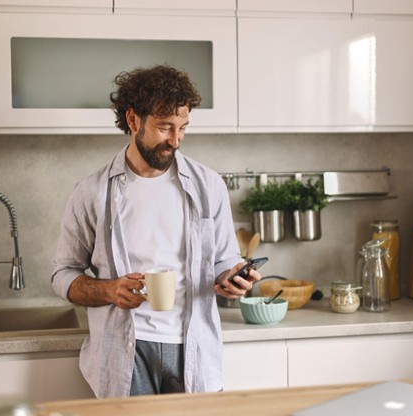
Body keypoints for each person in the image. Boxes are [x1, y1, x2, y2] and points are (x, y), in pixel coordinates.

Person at [51, 64, 260, 398]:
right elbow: (62, 275)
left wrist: (231, 277)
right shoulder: (92, 192)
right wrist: (109, 291)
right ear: (133, 120)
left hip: (193, 347)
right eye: (165, 127)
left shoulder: (209, 185)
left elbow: (223, 259)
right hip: (125, 353)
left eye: (183, 128)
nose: (175, 140)